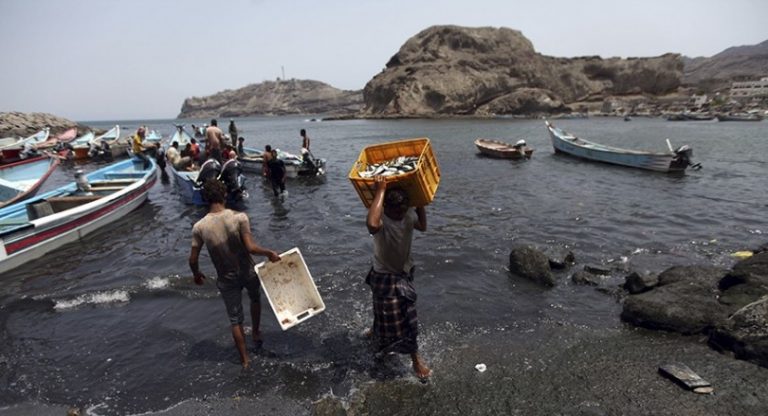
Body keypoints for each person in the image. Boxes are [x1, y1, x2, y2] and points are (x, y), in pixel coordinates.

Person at [189, 178, 281, 369]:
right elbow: (251, 248)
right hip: (247, 271)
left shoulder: (199, 227)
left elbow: (192, 259)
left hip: (226, 277)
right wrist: (269, 253)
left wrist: (197, 273)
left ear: (206, 198)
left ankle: (245, 360)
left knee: (235, 319)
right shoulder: (239, 218)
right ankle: (256, 332)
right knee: (255, 299)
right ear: (224, 195)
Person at [365, 176, 431, 380]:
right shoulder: (382, 219)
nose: (400, 214)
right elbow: (371, 224)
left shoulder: (408, 214)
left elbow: (422, 226)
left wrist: (420, 203)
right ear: (385, 207)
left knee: (408, 319)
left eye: (403, 210)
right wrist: (380, 190)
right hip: (384, 275)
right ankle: (377, 335)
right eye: (395, 211)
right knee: (383, 313)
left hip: (403, 273)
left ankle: (415, 358)